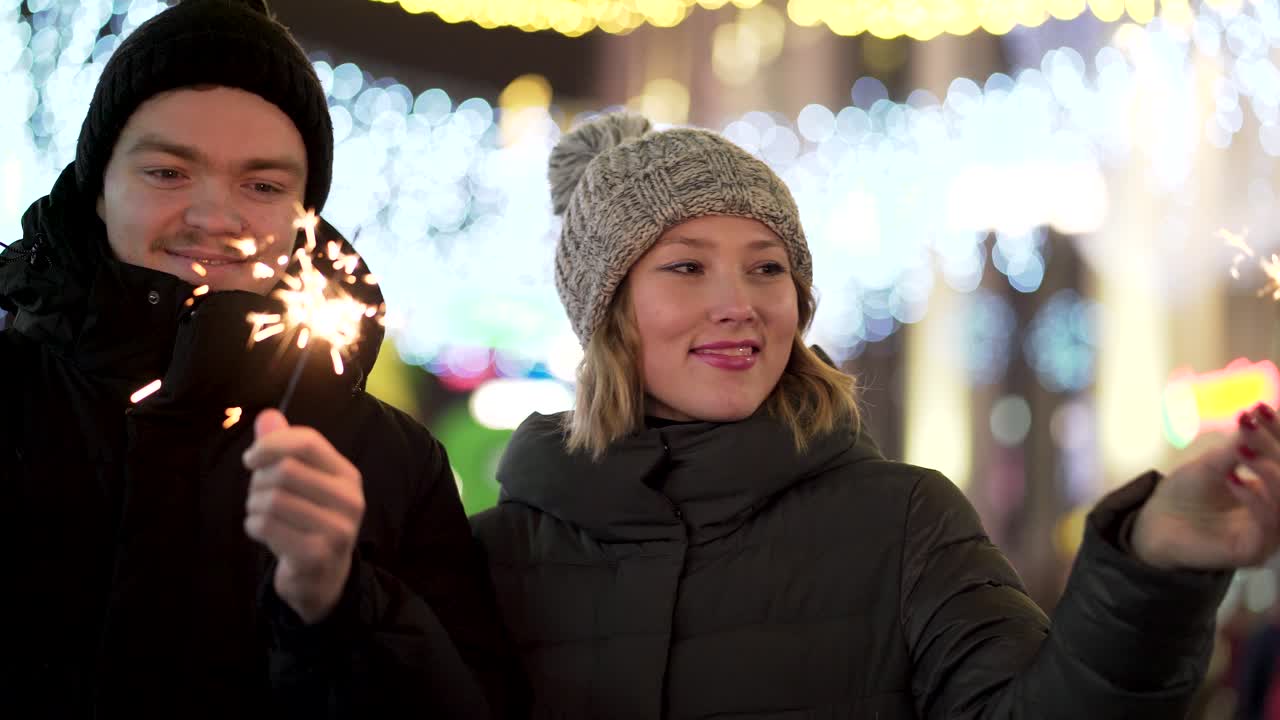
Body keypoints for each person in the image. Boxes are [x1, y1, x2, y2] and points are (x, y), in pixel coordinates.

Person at [469, 111, 1277, 718]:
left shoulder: (906, 522)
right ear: (606, 309)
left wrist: (1152, 572)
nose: (739, 304)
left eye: (767, 269)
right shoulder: (497, 554)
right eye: (687, 267)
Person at [0, 0, 511, 716]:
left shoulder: (391, 461)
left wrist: (340, 604)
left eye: (263, 185)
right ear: (98, 189)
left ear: (305, 219)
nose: (215, 218)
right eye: (167, 172)